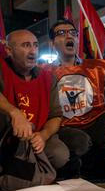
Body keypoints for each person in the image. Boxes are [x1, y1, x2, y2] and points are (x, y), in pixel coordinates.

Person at [47, 19, 105, 179]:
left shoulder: (97, 66)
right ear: (52, 44)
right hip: (65, 127)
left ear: (77, 39)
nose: (69, 36)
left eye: (73, 33)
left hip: (96, 122)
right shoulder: (44, 72)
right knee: (81, 141)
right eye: (61, 33)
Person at [0, 30, 69, 173]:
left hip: (35, 135)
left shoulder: (48, 78)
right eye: (26, 45)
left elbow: (56, 116)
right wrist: (14, 112)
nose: (33, 51)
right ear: (9, 50)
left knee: (59, 155)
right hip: (5, 136)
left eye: (36, 45)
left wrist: (43, 135)